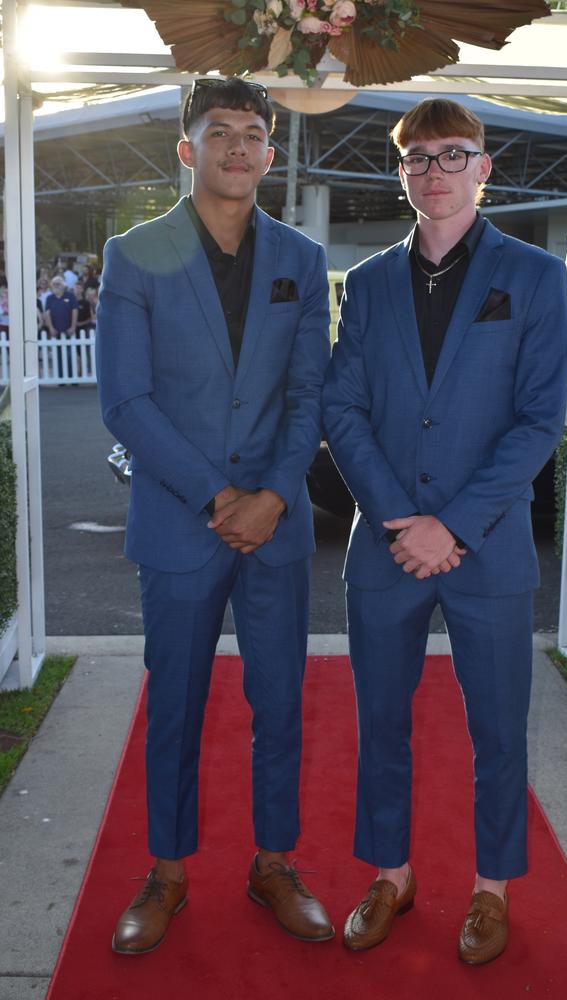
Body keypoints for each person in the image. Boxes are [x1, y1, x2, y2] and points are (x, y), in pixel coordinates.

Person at [323, 98, 567, 964]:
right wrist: (403, 520)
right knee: (380, 722)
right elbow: (342, 407)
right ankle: (391, 875)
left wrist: (453, 525)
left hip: (487, 548)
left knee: (499, 730)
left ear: (485, 167)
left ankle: (491, 889)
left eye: (453, 154)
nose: (436, 170)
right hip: (387, 548)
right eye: (418, 157)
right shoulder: (368, 283)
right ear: (400, 172)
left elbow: (541, 419)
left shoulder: (536, 276)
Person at [95, 76, 332, 956]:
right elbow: (126, 401)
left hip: (276, 525)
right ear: (187, 148)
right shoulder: (134, 251)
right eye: (220, 130)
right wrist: (217, 497)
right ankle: (167, 873)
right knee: (178, 706)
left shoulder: (302, 262)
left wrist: (271, 495)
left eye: (254, 133)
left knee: (281, 704)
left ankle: (274, 863)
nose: (239, 146)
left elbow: (310, 392)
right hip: (179, 524)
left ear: (271, 152)